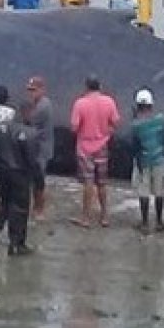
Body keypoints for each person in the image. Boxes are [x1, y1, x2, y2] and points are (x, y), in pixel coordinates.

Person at [0, 111, 44, 255]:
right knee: (20, 209)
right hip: (20, 174)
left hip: (3, 172)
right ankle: (16, 244)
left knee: (4, 202)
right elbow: (33, 161)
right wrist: (39, 181)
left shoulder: (2, 127)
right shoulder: (31, 134)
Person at [69, 76, 120, 228]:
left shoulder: (80, 103)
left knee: (88, 182)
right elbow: (116, 122)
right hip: (102, 145)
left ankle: (86, 217)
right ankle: (104, 216)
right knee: (102, 183)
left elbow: (73, 127)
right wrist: (106, 132)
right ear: (100, 86)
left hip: (85, 147)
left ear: (86, 87)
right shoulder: (109, 101)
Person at [130, 89, 164, 232]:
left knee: (144, 191)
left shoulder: (136, 125)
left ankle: (145, 223)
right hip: (159, 159)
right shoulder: (160, 119)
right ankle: (159, 222)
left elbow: (135, 145)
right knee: (159, 190)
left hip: (143, 161)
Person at [24, 77, 54, 219]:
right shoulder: (36, 104)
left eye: (34, 90)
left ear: (42, 89)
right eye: (29, 90)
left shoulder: (43, 106)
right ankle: (35, 207)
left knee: (39, 181)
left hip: (41, 150)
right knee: (34, 180)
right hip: (35, 148)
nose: (31, 93)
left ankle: (39, 209)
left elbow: (29, 123)